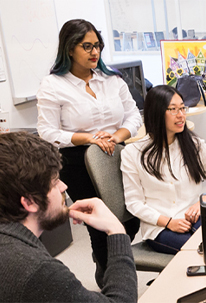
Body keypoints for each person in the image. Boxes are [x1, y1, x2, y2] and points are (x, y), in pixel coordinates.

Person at [36, 19, 143, 288]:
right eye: (87, 46)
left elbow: (133, 116)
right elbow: (47, 131)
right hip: (77, 160)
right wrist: (88, 138)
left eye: (97, 46)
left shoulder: (112, 79)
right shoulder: (53, 85)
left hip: (116, 154)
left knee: (129, 218)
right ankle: (110, 280)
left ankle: (112, 265)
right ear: (70, 48)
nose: (94, 52)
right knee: (99, 224)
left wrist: (117, 136)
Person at [0, 132, 137, 302]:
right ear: (30, 202)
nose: (64, 187)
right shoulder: (37, 272)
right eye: (55, 182)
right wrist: (116, 230)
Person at [121, 85, 206, 254]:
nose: (181, 115)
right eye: (173, 109)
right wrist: (168, 222)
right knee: (204, 250)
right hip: (159, 228)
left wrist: (205, 199)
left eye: (182, 108)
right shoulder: (132, 153)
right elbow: (134, 203)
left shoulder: (194, 145)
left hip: (195, 218)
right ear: (156, 112)